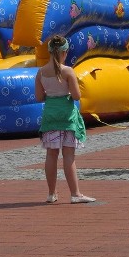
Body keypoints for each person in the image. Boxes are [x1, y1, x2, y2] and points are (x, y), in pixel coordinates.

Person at [35, 34, 95, 204]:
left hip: (50, 116)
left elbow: (39, 97)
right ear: (65, 52)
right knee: (69, 155)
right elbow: (76, 95)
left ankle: (51, 193)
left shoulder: (41, 72)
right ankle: (75, 193)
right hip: (67, 116)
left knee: (51, 154)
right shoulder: (68, 71)